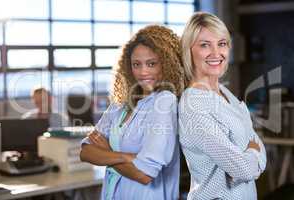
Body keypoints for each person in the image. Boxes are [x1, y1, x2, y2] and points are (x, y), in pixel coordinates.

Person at [80, 25, 185, 200]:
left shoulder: (164, 101)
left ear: (166, 64)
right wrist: (125, 157)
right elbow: (85, 151)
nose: (143, 72)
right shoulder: (120, 105)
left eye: (152, 64)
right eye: (137, 64)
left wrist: (106, 152)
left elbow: (144, 175)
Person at [178, 12, 267, 200]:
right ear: (189, 50)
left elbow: (256, 141)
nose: (216, 53)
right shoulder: (193, 105)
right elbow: (242, 168)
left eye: (222, 43)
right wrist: (252, 155)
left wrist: (249, 159)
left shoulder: (225, 93)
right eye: (204, 45)